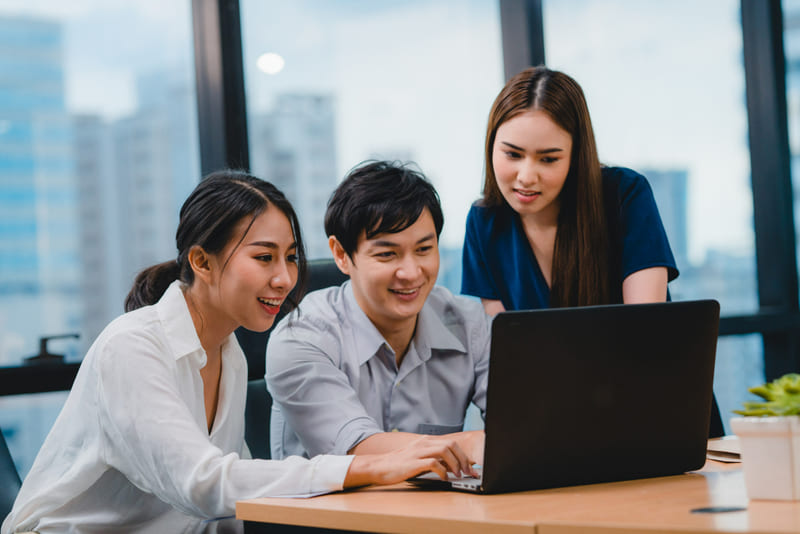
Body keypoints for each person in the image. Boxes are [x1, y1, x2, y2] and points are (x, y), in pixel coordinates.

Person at [2, 170, 466, 534]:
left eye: (289, 256)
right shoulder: (132, 347)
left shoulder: (229, 351)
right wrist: (367, 468)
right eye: (264, 258)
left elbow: (231, 495)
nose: (285, 278)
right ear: (202, 261)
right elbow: (203, 485)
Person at [266, 161, 488, 475]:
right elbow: (359, 449)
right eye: (387, 254)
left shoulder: (469, 324)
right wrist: (473, 444)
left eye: (424, 249)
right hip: (328, 519)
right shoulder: (302, 338)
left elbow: (523, 427)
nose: (411, 273)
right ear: (342, 255)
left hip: (436, 514)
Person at [461, 66, 678, 315]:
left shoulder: (624, 195)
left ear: (576, 157)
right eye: (512, 154)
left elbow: (645, 327)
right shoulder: (484, 223)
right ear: (491, 146)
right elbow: (507, 342)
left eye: (548, 159)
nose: (527, 177)